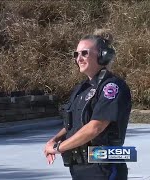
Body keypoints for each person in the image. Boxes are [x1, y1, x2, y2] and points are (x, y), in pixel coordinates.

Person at [43, 29, 132, 180]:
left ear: (103, 56)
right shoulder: (81, 89)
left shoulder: (111, 87)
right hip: (80, 169)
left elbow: (95, 127)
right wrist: (54, 140)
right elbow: (73, 122)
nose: (79, 58)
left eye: (85, 53)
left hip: (104, 169)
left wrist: (59, 148)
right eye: (76, 54)